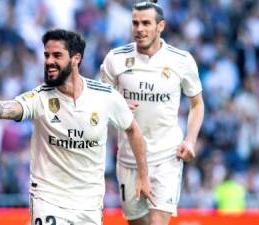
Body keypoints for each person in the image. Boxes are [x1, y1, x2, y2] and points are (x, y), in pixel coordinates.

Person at [0, 29, 154, 225]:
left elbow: (133, 130)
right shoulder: (40, 97)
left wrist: (143, 176)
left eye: (57, 55)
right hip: (48, 198)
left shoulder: (105, 96)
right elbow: (5, 108)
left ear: (76, 59)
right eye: (46, 55)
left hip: (89, 204)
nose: (49, 61)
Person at [100, 1, 205, 225]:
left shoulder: (181, 60)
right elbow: (100, 103)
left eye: (146, 23)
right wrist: (114, 109)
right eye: (135, 23)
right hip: (129, 160)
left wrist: (190, 140)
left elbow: (197, 104)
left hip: (167, 157)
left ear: (161, 26)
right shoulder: (115, 59)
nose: (140, 29)